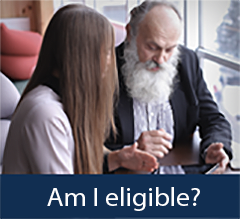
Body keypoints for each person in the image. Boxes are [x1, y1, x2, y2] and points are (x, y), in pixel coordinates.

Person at [2, 4, 158, 174]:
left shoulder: (60, 103)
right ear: (85, 57)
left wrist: (117, 158)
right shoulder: (46, 114)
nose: (109, 61)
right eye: (106, 52)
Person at [105, 0, 232, 174]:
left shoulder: (187, 61)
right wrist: (128, 151)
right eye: (152, 47)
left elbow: (213, 118)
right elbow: (86, 143)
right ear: (130, 34)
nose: (161, 59)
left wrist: (215, 146)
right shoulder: (105, 69)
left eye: (169, 49)